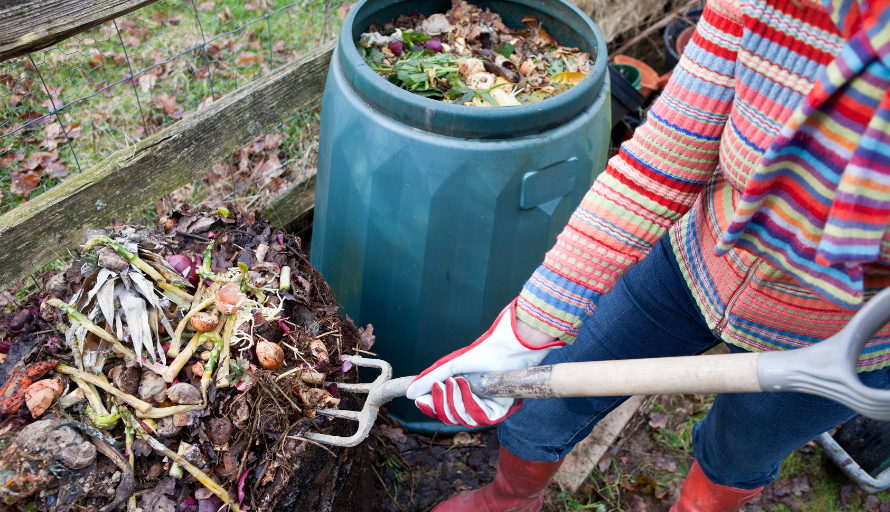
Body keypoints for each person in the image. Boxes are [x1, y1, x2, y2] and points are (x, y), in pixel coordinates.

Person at [406, 0, 890, 509]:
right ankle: (506, 500)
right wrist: (525, 329)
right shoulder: (766, 7)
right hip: (692, 263)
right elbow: (662, 161)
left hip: (839, 334)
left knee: (739, 456)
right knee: (545, 406)